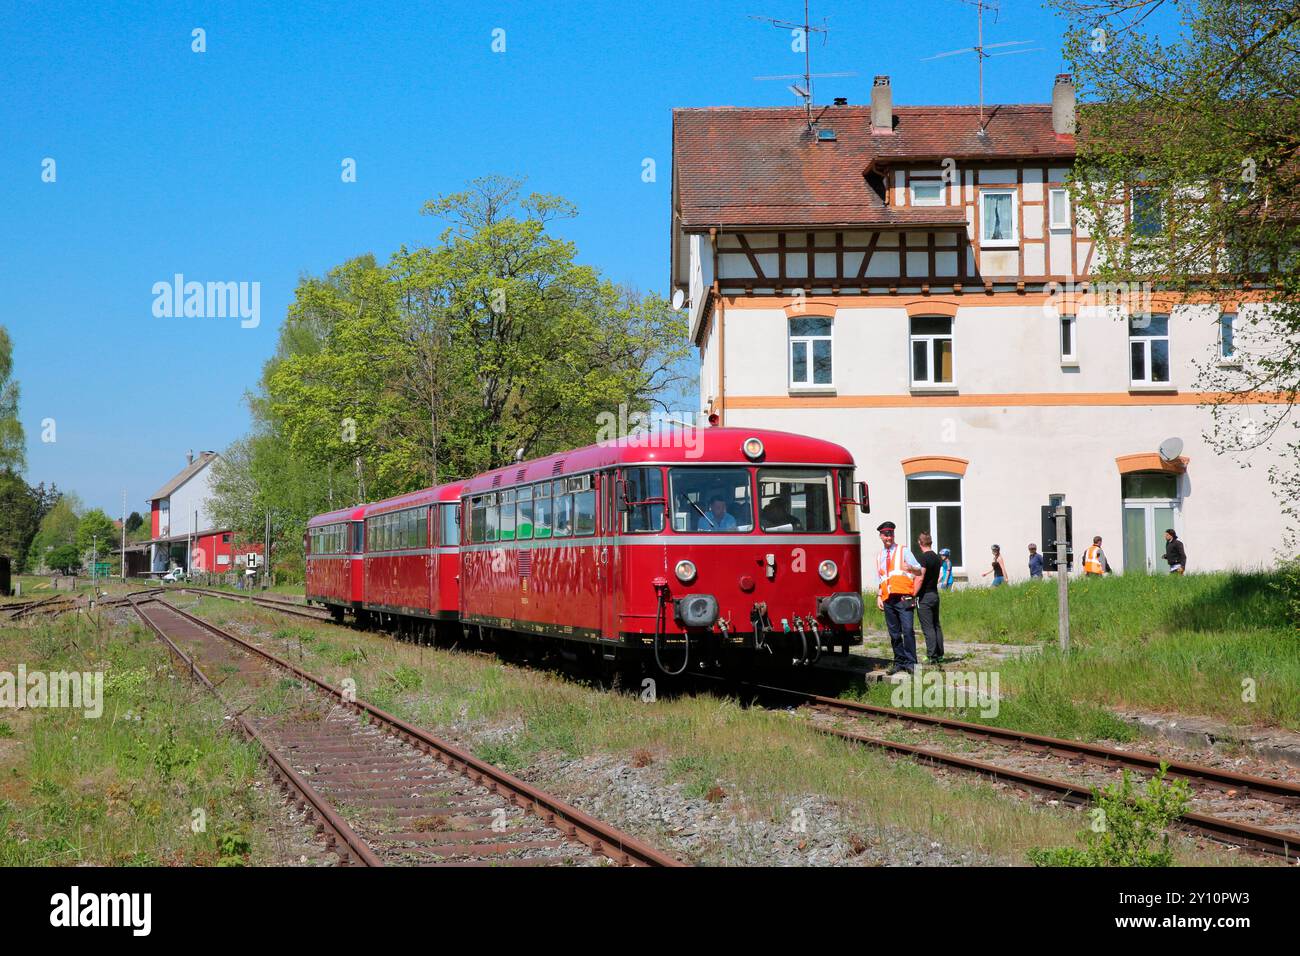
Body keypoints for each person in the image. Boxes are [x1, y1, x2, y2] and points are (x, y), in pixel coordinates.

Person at [875, 521, 923, 676]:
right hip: (888, 599)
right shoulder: (880, 556)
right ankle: (899, 662)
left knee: (908, 630)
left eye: (890, 534)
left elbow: (919, 571)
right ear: (881, 536)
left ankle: (911, 663)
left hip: (903, 598)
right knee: (894, 633)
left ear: (893, 535)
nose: (888, 537)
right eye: (885, 534)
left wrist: (911, 568)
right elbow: (881, 578)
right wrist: (879, 596)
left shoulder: (904, 551)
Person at [913, 532, 946, 665]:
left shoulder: (923, 558)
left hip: (925, 597)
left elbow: (920, 578)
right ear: (930, 542)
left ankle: (931, 655)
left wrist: (913, 593)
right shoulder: (937, 558)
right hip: (934, 594)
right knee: (936, 625)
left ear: (920, 543)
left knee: (928, 627)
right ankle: (940, 655)